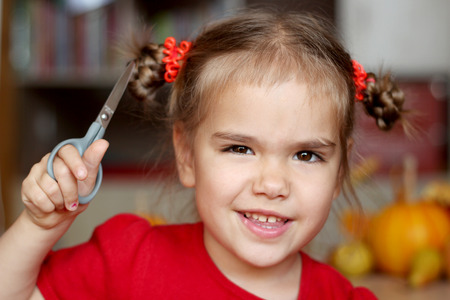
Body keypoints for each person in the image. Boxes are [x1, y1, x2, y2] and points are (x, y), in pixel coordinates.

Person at [0, 8, 407, 299]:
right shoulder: (127, 259)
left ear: (339, 172)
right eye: (239, 148)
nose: (272, 185)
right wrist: (40, 225)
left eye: (306, 155)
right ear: (187, 156)